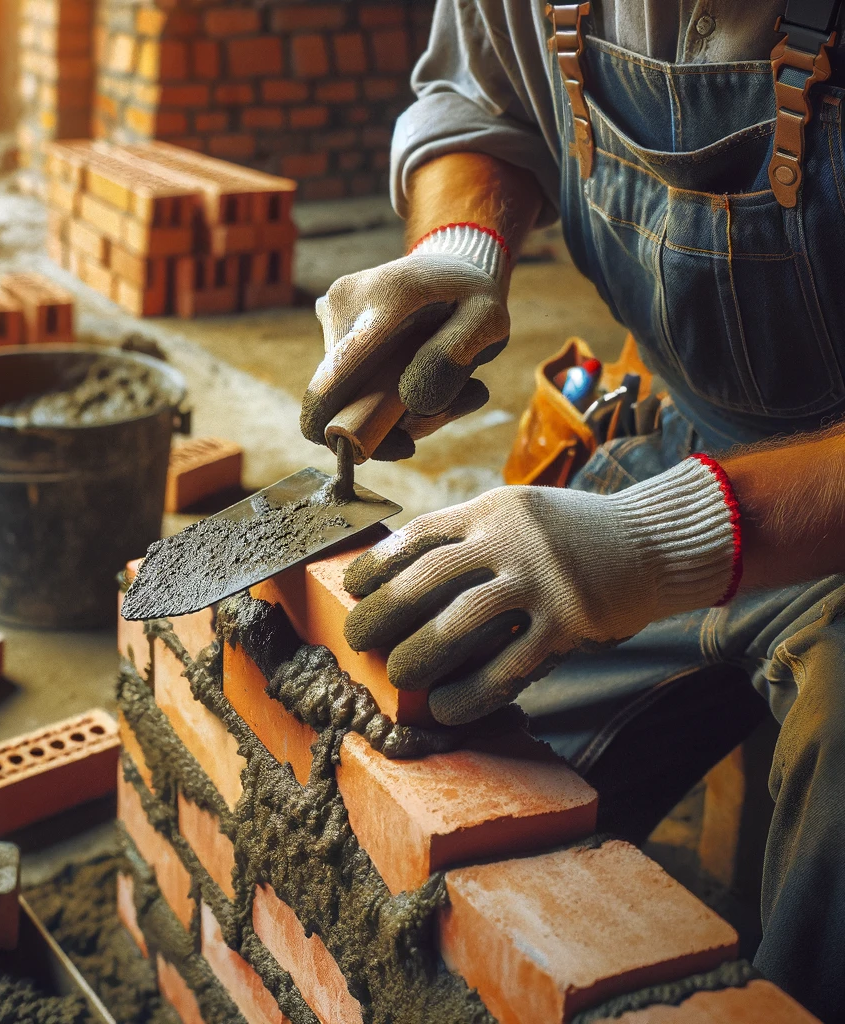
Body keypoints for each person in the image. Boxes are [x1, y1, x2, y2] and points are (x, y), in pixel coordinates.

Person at [299, 2, 845, 1018]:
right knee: (424, 745)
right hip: (684, 435)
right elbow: (478, 96)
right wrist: (460, 242)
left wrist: (659, 541)